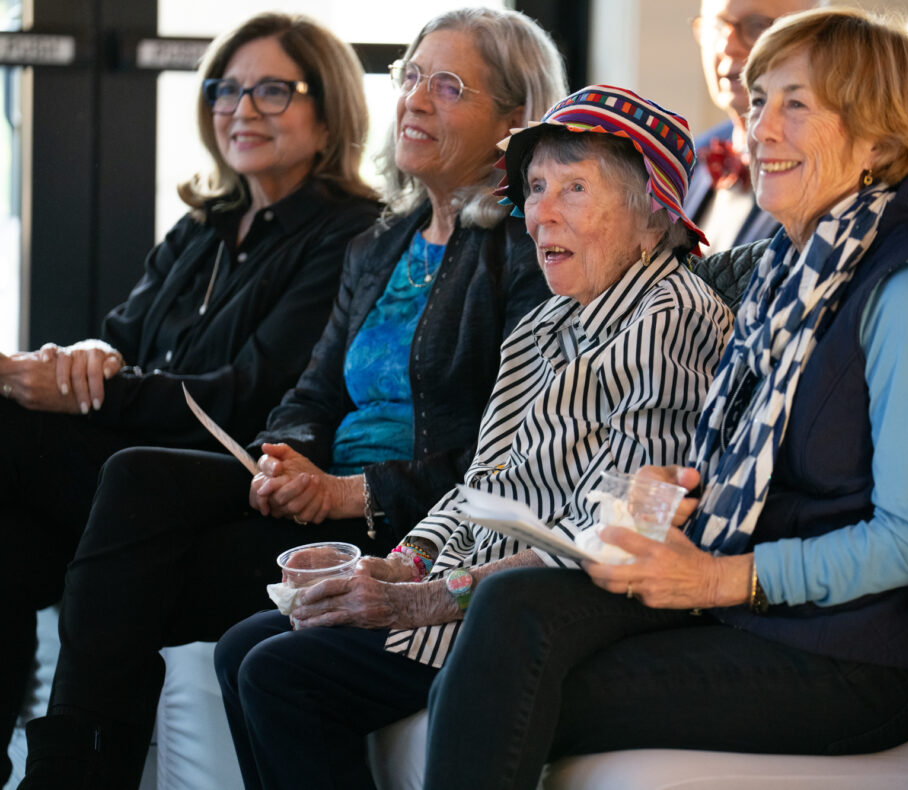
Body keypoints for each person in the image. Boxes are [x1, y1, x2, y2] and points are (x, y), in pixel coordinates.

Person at [422, 10, 908, 788]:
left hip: (848, 658)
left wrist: (718, 580)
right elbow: (753, 468)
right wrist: (665, 495)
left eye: (796, 103)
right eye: (758, 101)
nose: (761, 126)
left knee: (499, 677)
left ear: (880, 141)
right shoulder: (794, 267)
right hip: (751, 608)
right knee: (512, 606)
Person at [15, 8, 566, 790]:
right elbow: (309, 394)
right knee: (133, 481)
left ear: (515, 121)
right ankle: (66, 771)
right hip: (321, 497)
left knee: (129, 570)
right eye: (410, 76)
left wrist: (348, 490)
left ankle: (70, 776)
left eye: (448, 86)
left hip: (408, 519)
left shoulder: (528, 250)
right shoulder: (382, 244)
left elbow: (508, 448)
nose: (414, 98)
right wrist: (288, 456)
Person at [214, 84, 731, 790]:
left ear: (653, 214)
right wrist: (404, 563)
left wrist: (427, 598)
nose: (541, 213)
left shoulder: (669, 317)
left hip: (534, 609)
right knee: (242, 646)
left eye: (575, 188)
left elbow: (624, 530)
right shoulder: (546, 322)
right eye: (537, 187)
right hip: (466, 585)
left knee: (280, 673)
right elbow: (481, 480)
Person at [0, 12, 381, 784]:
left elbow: (251, 394)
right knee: (6, 535)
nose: (241, 110)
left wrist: (93, 390)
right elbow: (122, 341)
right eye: (226, 90)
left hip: (226, 473)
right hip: (132, 464)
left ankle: (70, 771)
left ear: (328, 110)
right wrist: (85, 359)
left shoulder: (352, 234)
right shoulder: (204, 225)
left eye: (272, 91)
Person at [682, 0, 817, 261]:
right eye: (716, 26)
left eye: (756, 26)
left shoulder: (828, 177)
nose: (726, 47)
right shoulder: (689, 157)